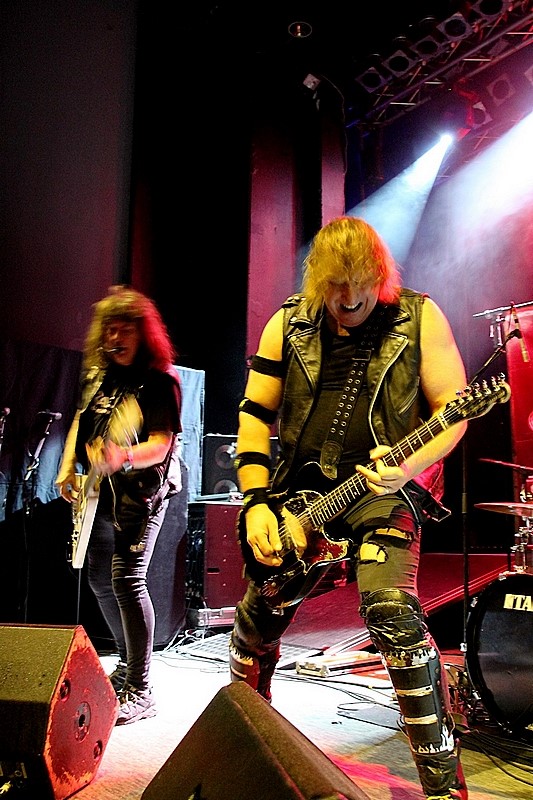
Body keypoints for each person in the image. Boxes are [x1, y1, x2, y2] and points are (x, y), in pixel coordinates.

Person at [229, 216, 469, 799]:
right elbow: (255, 416)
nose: (351, 296)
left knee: (392, 611)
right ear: (319, 280)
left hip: (387, 490)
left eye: (362, 282)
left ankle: (444, 788)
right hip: (302, 496)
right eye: (337, 285)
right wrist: (255, 502)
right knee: (256, 620)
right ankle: (248, 746)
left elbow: (454, 410)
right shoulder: (288, 323)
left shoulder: (418, 317)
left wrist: (408, 466)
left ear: (380, 276)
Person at [56, 285, 182, 725]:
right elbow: (81, 421)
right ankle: (127, 669)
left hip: (143, 492)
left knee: (127, 579)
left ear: (143, 333)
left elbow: (162, 444)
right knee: (99, 579)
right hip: (101, 493)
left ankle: (141, 688)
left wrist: (123, 457)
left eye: (125, 328)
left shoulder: (160, 382)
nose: (115, 337)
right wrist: (67, 467)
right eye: (109, 328)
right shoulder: (100, 377)